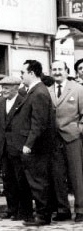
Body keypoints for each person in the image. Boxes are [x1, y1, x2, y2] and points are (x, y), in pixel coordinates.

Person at [19, 60, 56, 226]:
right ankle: (42, 213)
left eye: (23, 72)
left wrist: (29, 144)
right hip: (37, 145)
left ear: (32, 73)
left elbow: (39, 122)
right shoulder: (36, 91)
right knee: (37, 180)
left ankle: (42, 215)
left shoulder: (39, 92)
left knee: (38, 181)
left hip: (38, 147)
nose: (21, 76)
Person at [49, 60, 83, 222]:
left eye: (60, 69)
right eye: (54, 69)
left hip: (73, 137)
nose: (57, 72)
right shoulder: (48, 91)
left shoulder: (78, 89)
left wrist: (77, 130)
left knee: (77, 175)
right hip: (54, 140)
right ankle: (63, 210)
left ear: (66, 71)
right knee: (58, 175)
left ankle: (81, 209)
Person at [0, 76, 32, 222]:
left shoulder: (23, 101)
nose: (3, 90)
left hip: (18, 146)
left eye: (7, 87)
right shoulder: (2, 103)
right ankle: (12, 209)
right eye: (2, 87)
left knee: (21, 180)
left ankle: (24, 211)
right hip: (5, 147)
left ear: (16, 88)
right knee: (8, 180)